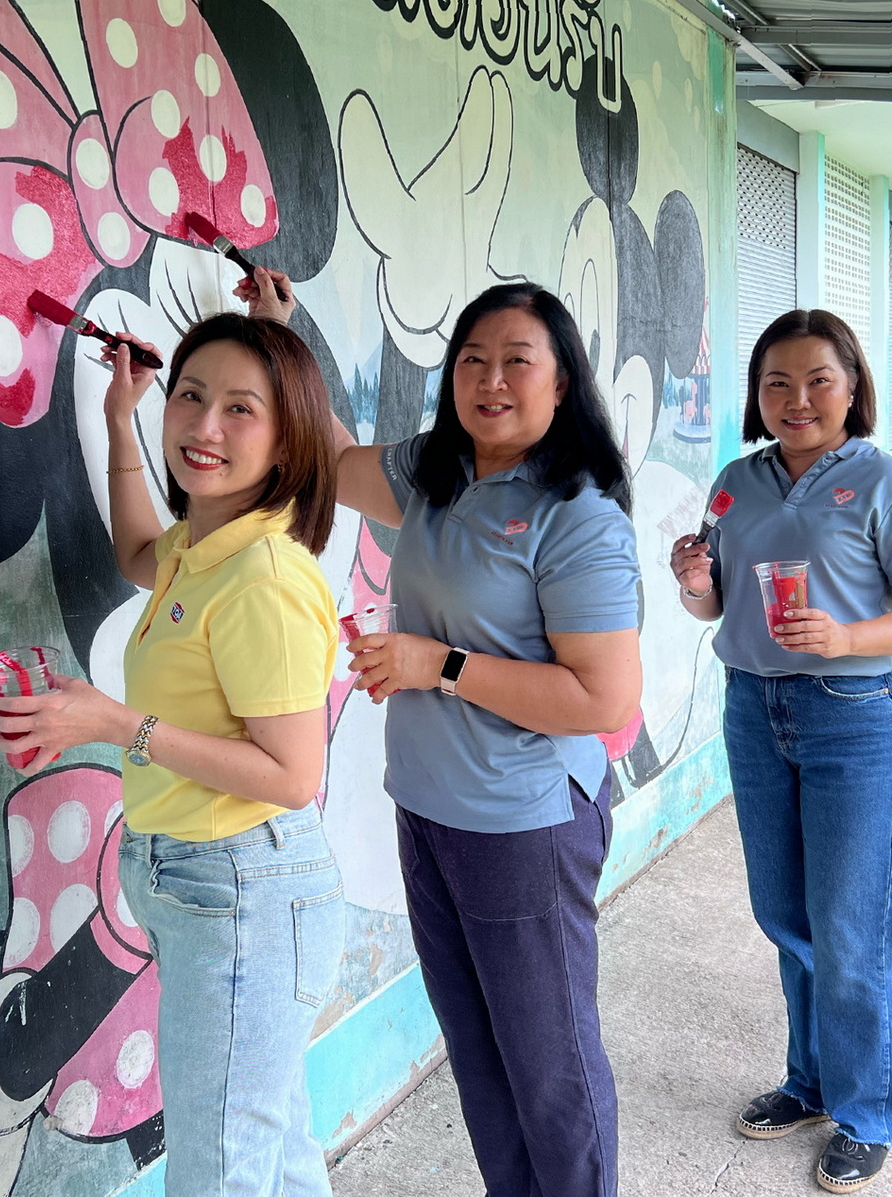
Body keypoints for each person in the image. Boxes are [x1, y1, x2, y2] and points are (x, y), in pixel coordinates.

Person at [251, 273, 641, 1197]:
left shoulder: (576, 514)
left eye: (517, 360)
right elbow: (336, 456)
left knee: (550, 1073)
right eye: (473, 359)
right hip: (426, 812)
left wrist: (441, 665)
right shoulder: (437, 471)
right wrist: (283, 334)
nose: (491, 379)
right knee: (479, 1057)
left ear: (561, 381)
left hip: (522, 824)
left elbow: (601, 698)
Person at [0, 311, 346, 1196]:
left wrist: (116, 725)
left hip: (245, 899)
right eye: (189, 396)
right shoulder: (200, 547)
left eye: (239, 409)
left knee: (218, 1173)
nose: (204, 425)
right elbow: (139, 550)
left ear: (289, 436)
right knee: (274, 1158)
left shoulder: (263, 576)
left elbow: (294, 776)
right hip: (204, 888)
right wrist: (118, 416)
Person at [669, 310, 892, 1194]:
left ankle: (868, 1110)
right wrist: (695, 583)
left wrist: (848, 635)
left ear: (854, 386)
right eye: (776, 383)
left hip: (856, 711)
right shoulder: (734, 482)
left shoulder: (889, 484)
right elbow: (714, 609)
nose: (797, 399)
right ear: (756, 395)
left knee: (850, 923)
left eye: (818, 379)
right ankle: (811, 1081)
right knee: (785, 911)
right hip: (754, 707)